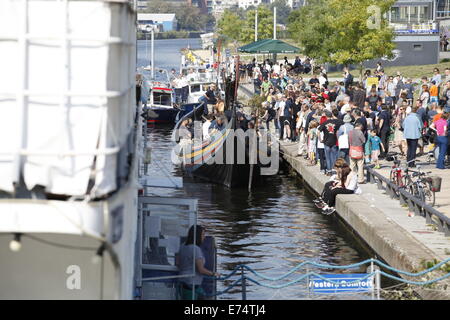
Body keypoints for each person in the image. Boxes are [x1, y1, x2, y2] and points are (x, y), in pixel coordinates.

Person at [176, 225, 220, 300]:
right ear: (197, 236)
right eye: (202, 235)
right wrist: (213, 273)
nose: (204, 237)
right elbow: (201, 269)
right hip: (192, 285)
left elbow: (178, 263)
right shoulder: (195, 249)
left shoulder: (182, 246)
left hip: (182, 283)